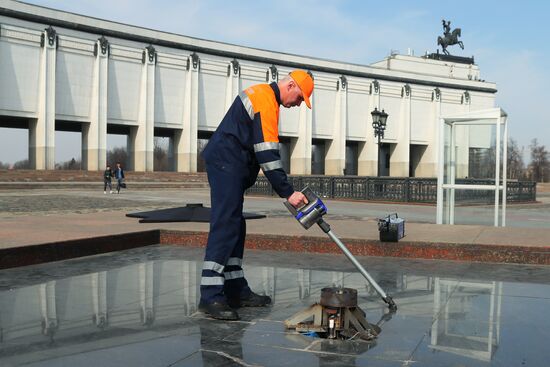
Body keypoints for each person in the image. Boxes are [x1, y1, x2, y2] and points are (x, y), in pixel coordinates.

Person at [198, 70, 313, 320]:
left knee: (236, 225)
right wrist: (288, 193)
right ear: (290, 85)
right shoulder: (265, 101)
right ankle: (210, 296)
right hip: (226, 163)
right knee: (225, 224)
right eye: (300, 97)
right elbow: (267, 155)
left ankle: (236, 288)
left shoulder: (265, 97)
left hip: (229, 164)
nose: (298, 104)